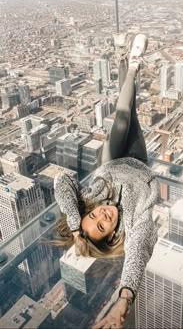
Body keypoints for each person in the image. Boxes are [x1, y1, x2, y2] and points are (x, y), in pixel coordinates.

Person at [54, 34, 161, 329]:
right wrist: (125, 297)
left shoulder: (93, 199)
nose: (101, 214)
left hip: (111, 161)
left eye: (93, 215)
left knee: (122, 117)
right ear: (113, 235)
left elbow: (62, 181)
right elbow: (138, 252)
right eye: (102, 225)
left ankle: (133, 63)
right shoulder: (133, 226)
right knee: (130, 111)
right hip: (138, 163)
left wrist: (77, 224)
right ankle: (122, 58)